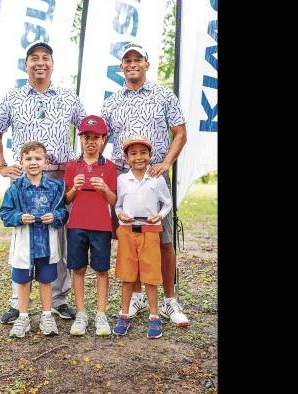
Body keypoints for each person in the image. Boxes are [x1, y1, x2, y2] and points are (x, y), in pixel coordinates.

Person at [0, 41, 86, 324]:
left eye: (46, 58)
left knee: (58, 237)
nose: (40, 63)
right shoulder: (13, 97)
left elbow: (88, 129)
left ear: (52, 65)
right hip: (24, 179)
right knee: (23, 236)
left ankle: (58, 300)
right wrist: (2, 165)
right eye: (34, 58)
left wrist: (81, 162)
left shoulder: (68, 96)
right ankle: (16, 302)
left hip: (58, 177)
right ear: (26, 64)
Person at [101, 42, 189, 327]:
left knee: (162, 241)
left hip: (154, 178)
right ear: (121, 67)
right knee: (130, 240)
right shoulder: (112, 101)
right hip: (123, 178)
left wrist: (166, 164)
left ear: (147, 64)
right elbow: (99, 138)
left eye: (137, 59)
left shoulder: (163, 95)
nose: (132, 64)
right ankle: (137, 295)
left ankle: (169, 300)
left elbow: (180, 133)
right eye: (127, 60)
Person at [0, 141, 69, 337]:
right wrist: (19, 217)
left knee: (46, 280)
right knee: (22, 281)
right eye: (28, 159)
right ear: (21, 162)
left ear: (45, 162)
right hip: (24, 244)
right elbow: (4, 213)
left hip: (46, 244)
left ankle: (47, 316)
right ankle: (23, 317)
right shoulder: (16, 188)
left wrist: (55, 216)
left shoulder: (55, 187)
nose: (33, 162)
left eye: (37, 158)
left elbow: (63, 212)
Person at [112, 135, 172, 339]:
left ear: (150, 155)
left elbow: (167, 203)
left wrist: (160, 216)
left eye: (143, 153)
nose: (139, 157)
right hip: (128, 231)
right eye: (133, 154)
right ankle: (124, 314)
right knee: (127, 275)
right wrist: (120, 214)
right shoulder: (122, 180)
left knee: (151, 275)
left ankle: (154, 317)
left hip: (150, 231)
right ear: (127, 158)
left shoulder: (157, 178)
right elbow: (118, 205)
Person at [63, 115, 117, 336]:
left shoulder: (110, 167)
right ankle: (82, 313)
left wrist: (104, 188)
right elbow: (67, 200)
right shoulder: (72, 166)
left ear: (103, 139)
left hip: (102, 226)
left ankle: (101, 314)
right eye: (87, 137)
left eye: (96, 137)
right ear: (81, 139)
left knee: (102, 270)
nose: (91, 141)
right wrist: (74, 188)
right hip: (76, 225)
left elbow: (114, 201)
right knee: (78, 269)